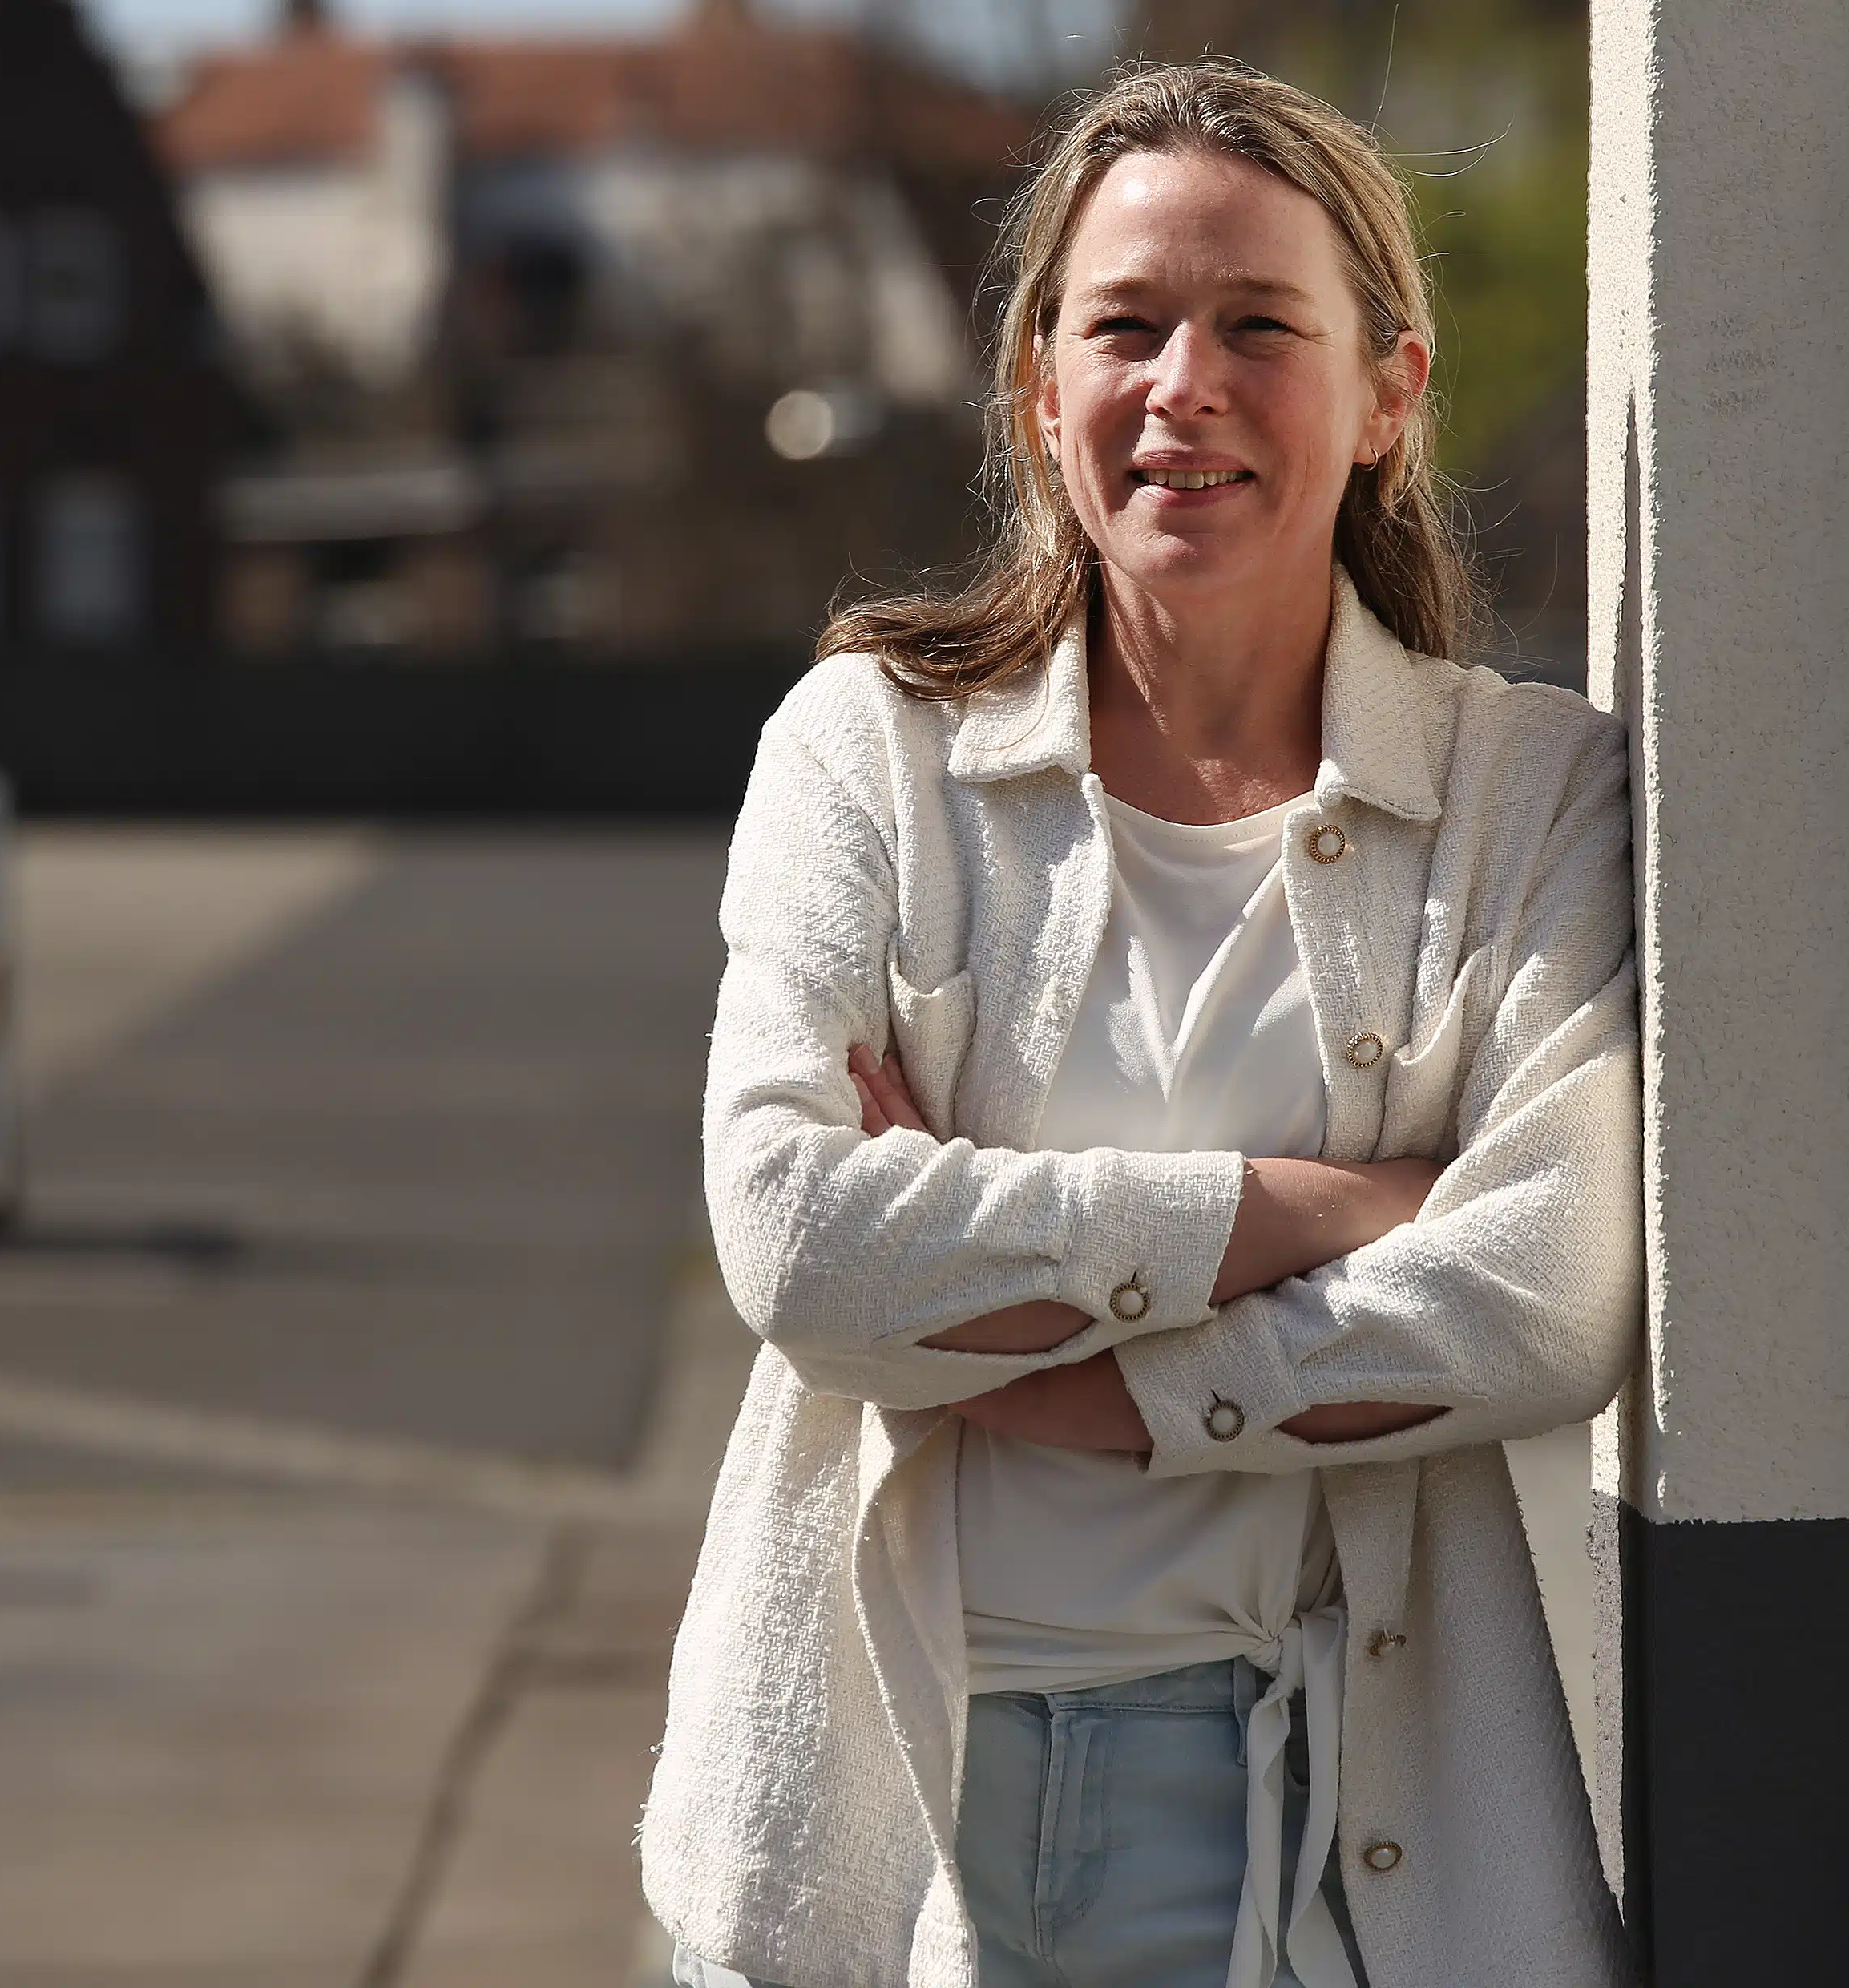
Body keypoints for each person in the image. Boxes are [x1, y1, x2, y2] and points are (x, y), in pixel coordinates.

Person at [643, 59, 1639, 1988]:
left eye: (1259, 324)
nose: (1185, 384)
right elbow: (798, 1243)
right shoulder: (871, 753)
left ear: (1387, 394)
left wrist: (1093, 1385)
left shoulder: (1526, 792)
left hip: (1341, 1814)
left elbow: (1547, 1287)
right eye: (1124, 326)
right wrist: (1324, 1207)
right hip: (906, 1820)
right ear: (1040, 388)